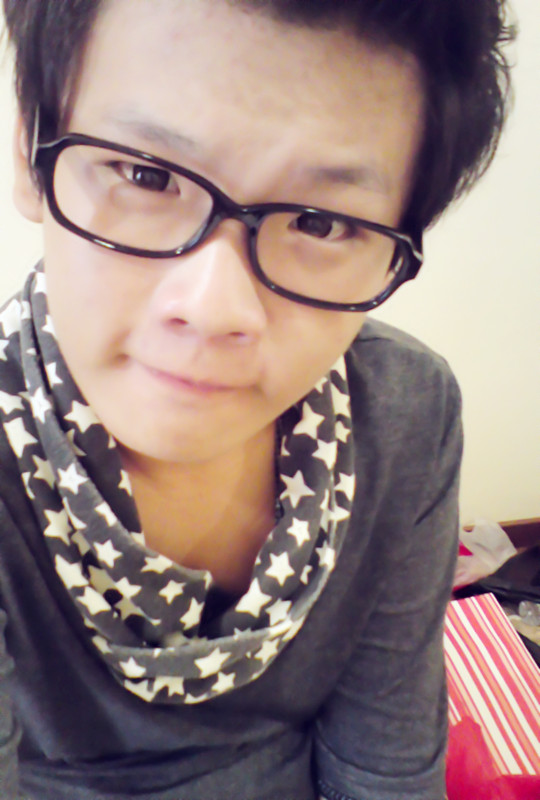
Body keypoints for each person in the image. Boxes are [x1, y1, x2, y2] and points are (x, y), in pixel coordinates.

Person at [0, 1, 513, 798]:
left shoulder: (405, 413)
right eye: (146, 175)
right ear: (32, 150)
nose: (213, 308)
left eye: (318, 221)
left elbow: (385, 767)